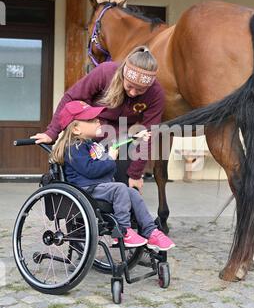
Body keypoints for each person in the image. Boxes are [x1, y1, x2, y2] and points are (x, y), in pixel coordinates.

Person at [32, 46, 165, 193]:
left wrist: (135, 174)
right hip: (92, 130)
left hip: (123, 137)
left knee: (123, 183)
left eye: (140, 90)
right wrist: (52, 132)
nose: (133, 93)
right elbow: (71, 98)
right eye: (129, 86)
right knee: (83, 173)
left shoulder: (156, 94)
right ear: (123, 75)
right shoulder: (105, 72)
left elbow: (149, 133)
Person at [50, 100, 175, 251]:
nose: (98, 122)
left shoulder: (90, 144)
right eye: (91, 120)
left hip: (99, 188)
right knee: (120, 188)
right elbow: (90, 170)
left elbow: (115, 144)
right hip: (86, 190)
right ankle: (123, 231)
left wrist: (136, 137)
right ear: (75, 129)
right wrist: (109, 159)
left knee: (132, 194)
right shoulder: (74, 148)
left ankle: (151, 231)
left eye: (97, 119)